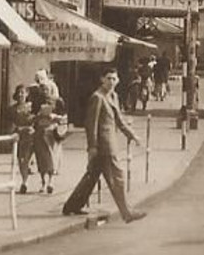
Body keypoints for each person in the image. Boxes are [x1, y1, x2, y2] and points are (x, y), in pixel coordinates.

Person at [61, 69, 145, 222]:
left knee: (91, 176)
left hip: (110, 142)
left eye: (114, 78)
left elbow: (119, 121)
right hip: (104, 146)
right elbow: (90, 124)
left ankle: (72, 206)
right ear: (102, 79)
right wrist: (92, 147)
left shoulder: (113, 96)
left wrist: (132, 135)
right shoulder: (97, 97)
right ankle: (126, 213)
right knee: (117, 178)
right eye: (108, 78)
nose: (112, 82)